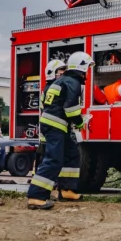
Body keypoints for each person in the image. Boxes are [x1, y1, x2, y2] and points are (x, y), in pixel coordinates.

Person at [27, 51, 93, 210]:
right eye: (87, 68)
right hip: (56, 125)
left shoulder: (63, 80)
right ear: (81, 67)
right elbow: (70, 108)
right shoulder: (73, 83)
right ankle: (36, 196)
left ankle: (66, 190)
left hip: (55, 124)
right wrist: (80, 122)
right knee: (53, 159)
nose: (87, 73)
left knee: (72, 154)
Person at [32, 59, 67, 182]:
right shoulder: (52, 88)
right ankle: (40, 185)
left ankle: (41, 183)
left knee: (47, 159)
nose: (63, 73)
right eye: (60, 71)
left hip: (47, 130)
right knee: (47, 160)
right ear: (52, 73)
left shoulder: (50, 87)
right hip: (49, 131)